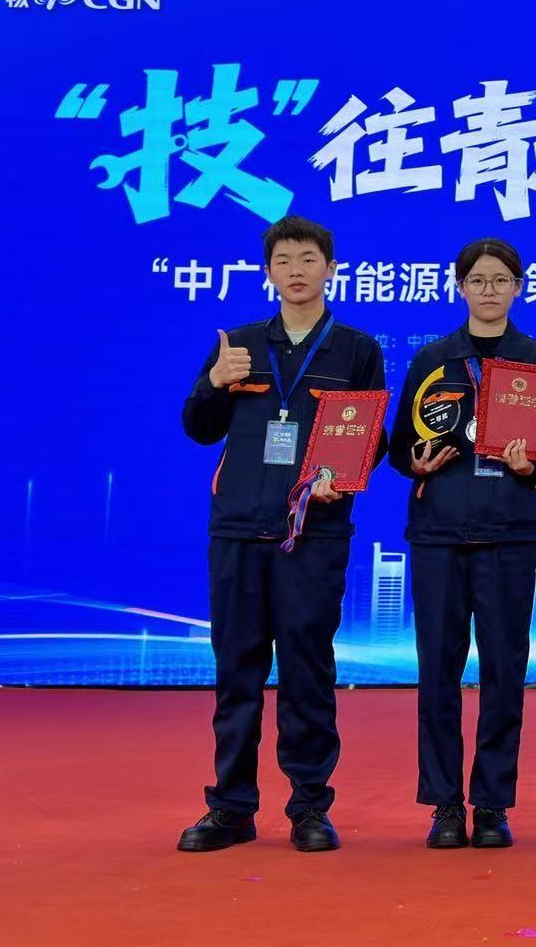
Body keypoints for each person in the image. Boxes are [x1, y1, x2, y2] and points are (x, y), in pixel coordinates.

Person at [176, 216, 385, 854]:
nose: (296, 271)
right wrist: (215, 382)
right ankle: (231, 807)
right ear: (268, 271)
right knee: (237, 673)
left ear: (330, 269)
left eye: (308, 259)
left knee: (307, 672)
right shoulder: (238, 345)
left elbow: (370, 438)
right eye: (284, 261)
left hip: (314, 536)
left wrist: (341, 480)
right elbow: (198, 428)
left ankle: (309, 807)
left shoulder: (356, 349)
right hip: (239, 533)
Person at [389, 238, 536, 850]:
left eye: (501, 280)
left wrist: (530, 466)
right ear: (460, 286)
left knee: (504, 671)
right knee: (438, 672)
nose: (489, 290)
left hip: (509, 534)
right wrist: (415, 463)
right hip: (439, 532)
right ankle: (444, 803)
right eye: (478, 280)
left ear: (519, 287)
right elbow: (398, 447)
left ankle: (492, 803)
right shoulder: (433, 359)